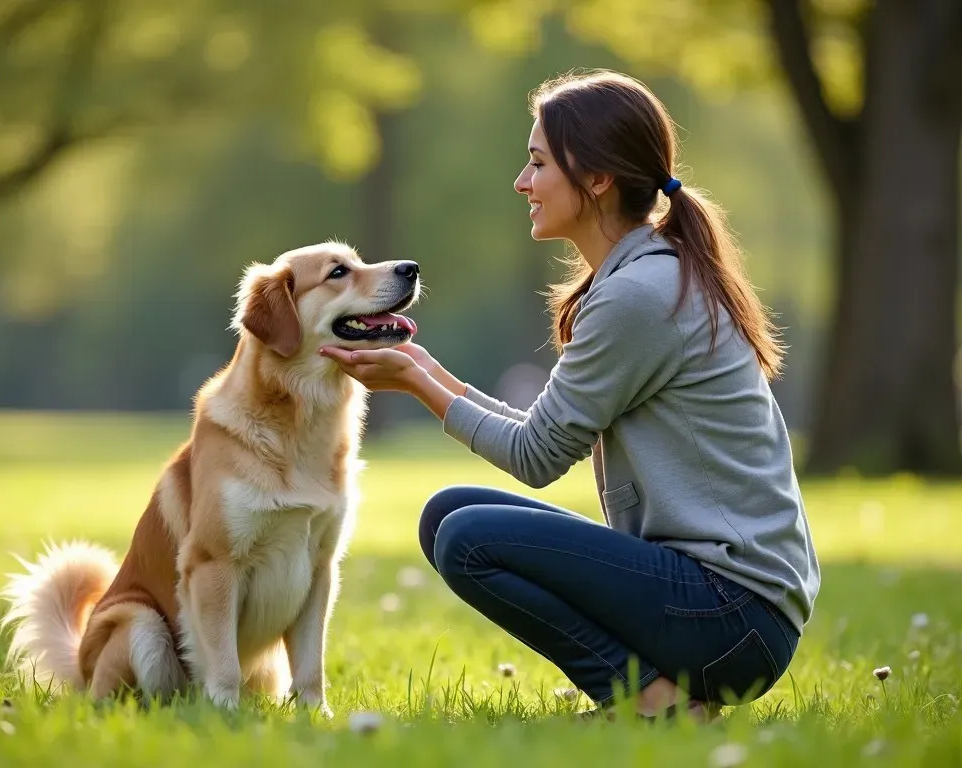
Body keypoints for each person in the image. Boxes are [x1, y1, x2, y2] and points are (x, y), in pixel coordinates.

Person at [320, 69, 820, 723]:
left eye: (537, 163)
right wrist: (425, 368)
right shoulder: (643, 276)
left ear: (597, 179)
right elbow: (545, 429)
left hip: (733, 614)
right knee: (448, 514)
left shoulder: (638, 296)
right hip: (725, 604)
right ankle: (658, 696)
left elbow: (537, 457)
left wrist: (416, 385)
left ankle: (647, 703)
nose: (523, 183)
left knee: (468, 539)